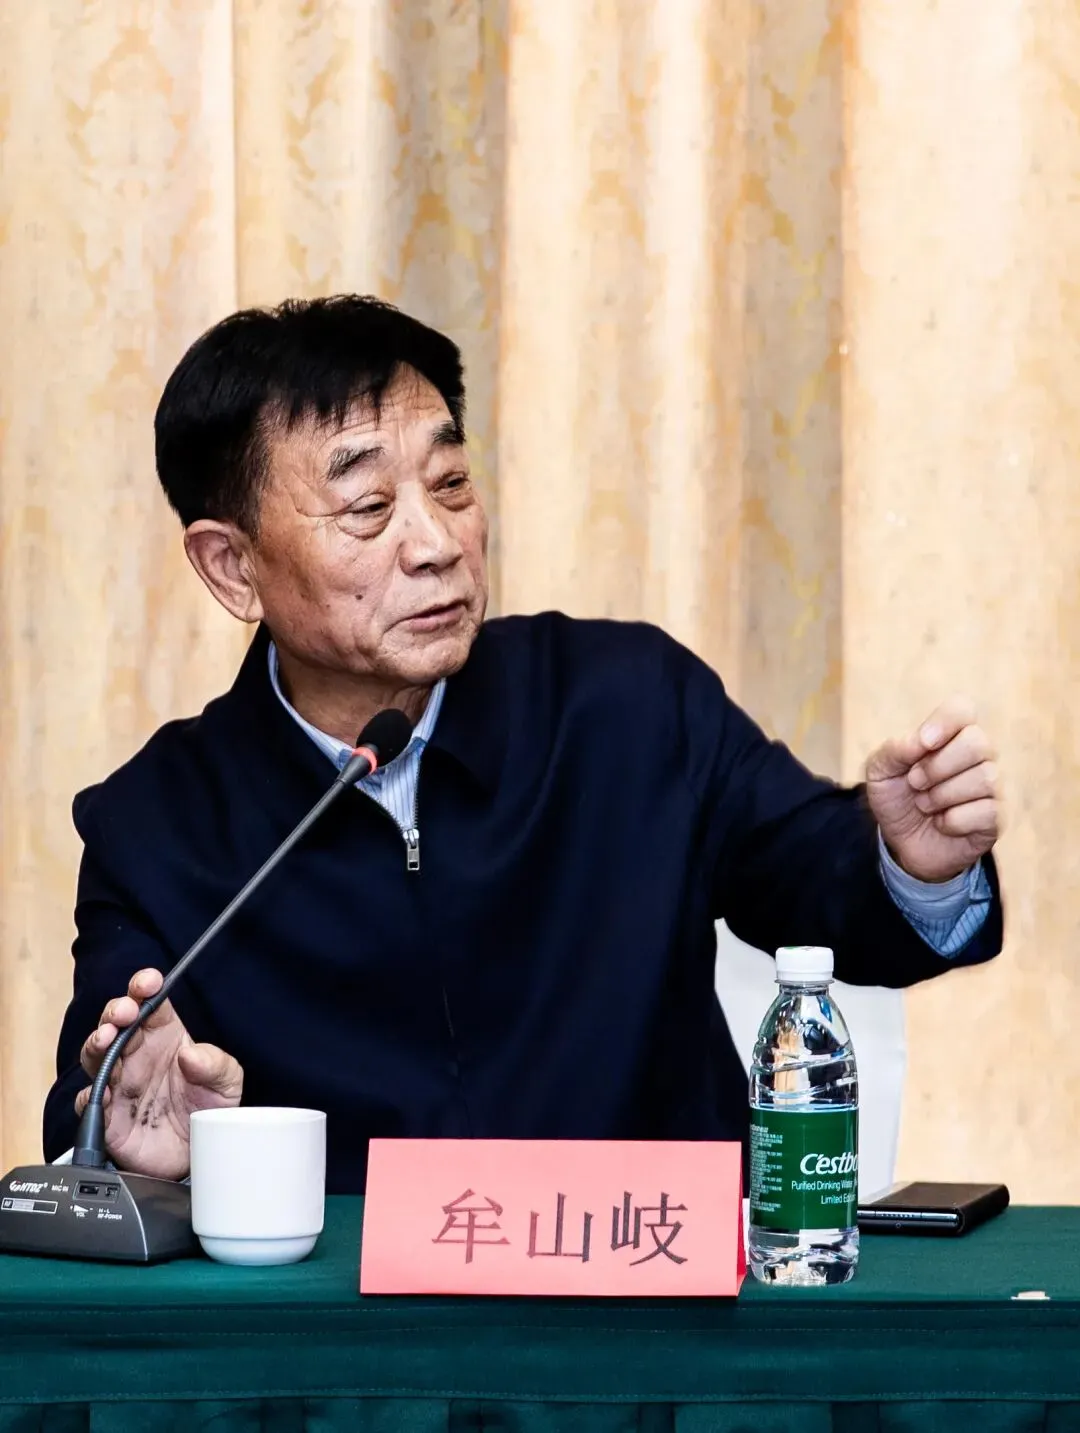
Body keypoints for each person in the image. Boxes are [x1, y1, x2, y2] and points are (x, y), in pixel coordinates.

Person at [43, 296, 1004, 1192]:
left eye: (451, 484)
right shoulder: (156, 828)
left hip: (654, 1296)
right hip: (347, 1321)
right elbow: (110, 1099)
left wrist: (912, 865)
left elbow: (820, 883)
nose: (436, 543)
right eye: (368, 508)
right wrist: (137, 1157)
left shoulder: (628, 707)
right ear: (232, 566)